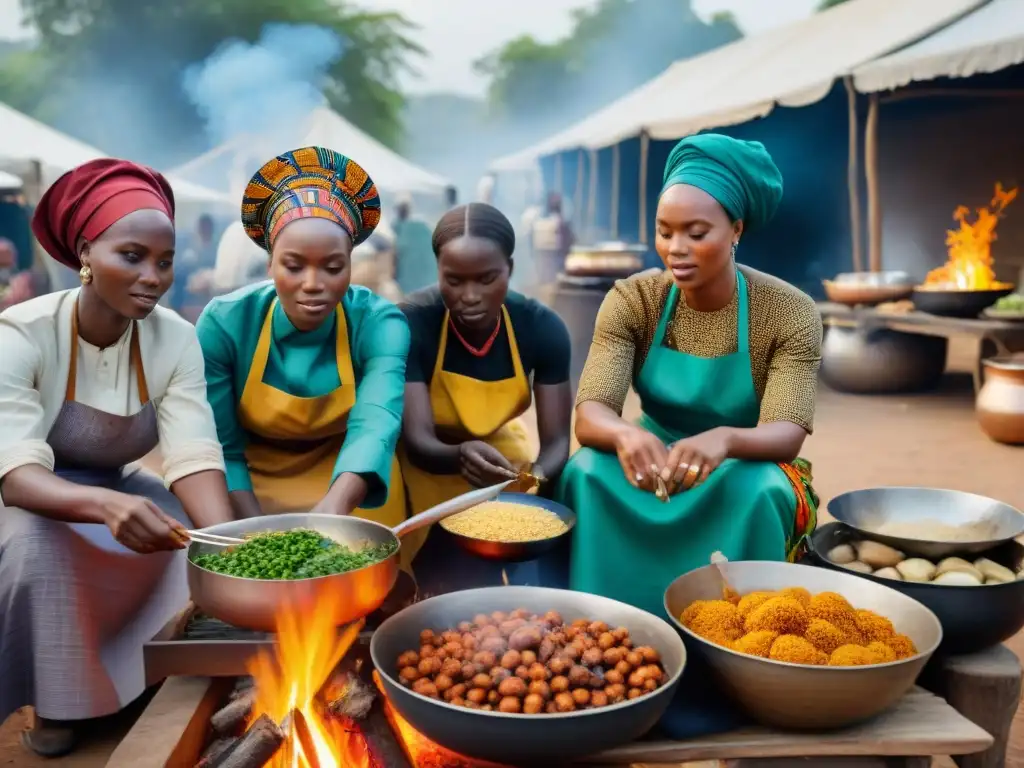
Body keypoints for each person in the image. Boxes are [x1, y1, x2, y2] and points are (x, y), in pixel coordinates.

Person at [0, 159, 235, 756]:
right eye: (131, 256)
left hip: (116, 485)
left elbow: (192, 455)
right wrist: (104, 505)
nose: (153, 276)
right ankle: (54, 701)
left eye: (164, 261)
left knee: (180, 532)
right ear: (84, 251)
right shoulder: (22, 334)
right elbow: (18, 476)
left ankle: (127, 684)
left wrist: (232, 544)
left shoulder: (175, 336)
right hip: (35, 494)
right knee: (38, 545)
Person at [557, 134, 821, 619]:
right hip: (653, 462)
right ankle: (602, 630)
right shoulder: (634, 299)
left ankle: (748, 640)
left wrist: (723, 440)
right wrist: (622, 434)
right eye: (664, 231)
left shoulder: (789, 312)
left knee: (764, 491)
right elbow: (591, 411)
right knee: (586, 471)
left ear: (736, 229)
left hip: (744, 461)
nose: (675, 249)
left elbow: (786, 435)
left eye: (696, 233)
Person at [195, 147, 411, 555]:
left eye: (333, 267)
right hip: (252, 486)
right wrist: (257, 535)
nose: (313, 284)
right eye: (293, 266)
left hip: (352, 481)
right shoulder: (225, 323)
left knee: (366, 583)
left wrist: (333, 510)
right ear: (270, 263)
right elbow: (223, 445)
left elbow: (376, 424)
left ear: (351, 263)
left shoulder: (379, 322)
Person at [399, 203, 573, 595]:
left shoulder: (541, 327)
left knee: (525, 542)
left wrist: (534, 478)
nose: (470, 296)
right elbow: (418, 439)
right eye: (454, 280)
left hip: (496, 448)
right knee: (431, 564)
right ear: (438, 270)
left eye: (487, 278)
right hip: (426, 455)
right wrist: (459, 454)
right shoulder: (412, 321)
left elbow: (559, 440)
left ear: (509, 268)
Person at [530, 191, 574, 289]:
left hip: (546, 250)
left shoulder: (539, 220)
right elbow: (567, 238)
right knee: (550, 275)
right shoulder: (558, 221)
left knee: (546, 274)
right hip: (551, 250)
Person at [393, 196, 435, 296]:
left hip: (413, 284)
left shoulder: (402, 230)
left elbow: (396, 257)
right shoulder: (423, 227)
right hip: (427, 282)